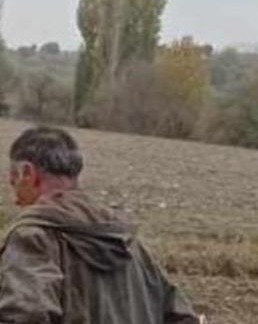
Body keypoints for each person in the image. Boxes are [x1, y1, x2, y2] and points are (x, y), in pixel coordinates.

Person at [0, 126, 199, 323]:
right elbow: (183, 316)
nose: (17, 201)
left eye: (13, 183)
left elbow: (25, 317)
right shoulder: (129, 243)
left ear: (28, 173)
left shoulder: (33, 237)